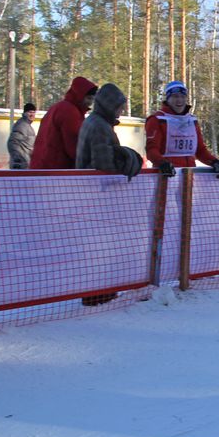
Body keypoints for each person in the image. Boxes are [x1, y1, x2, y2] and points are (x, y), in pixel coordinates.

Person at [75, 83, 142, 307]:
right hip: (95, 194)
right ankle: (97, 292)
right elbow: (103, 164)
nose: (120, 112)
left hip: (90, 193)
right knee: (98, 246)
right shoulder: (100, 126)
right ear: (109, 106)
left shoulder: (95, 122)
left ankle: (98, 290)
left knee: (95, 245)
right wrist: (128, 158)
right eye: (119, 108)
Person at [145, 80, 219, 179]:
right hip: (166, 175)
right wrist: (162, 163)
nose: (179, 100)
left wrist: (214, 162)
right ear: (168, 98)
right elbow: (151, 150)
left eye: (183, 96)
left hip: (189, 176)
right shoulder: (157, 119)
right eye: (175, 96)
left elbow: (200, 150)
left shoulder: (192, 120)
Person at [29, 76, 97, 168]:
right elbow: (74, 147)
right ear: (80, 95)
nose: (90, 103)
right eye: (88, 98)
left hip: (40, 165)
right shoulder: (70, 112)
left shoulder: (57, 107)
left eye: (92, 99)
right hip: (55, 169)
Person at [8, 102, 37, 169]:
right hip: (21, 165)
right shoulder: (21, 125)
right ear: (24, 113)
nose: (32, 114)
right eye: (30, 112)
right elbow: (13, 142)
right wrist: (17, 160)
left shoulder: (28, 126)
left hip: (27, 164)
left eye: (33, 112)